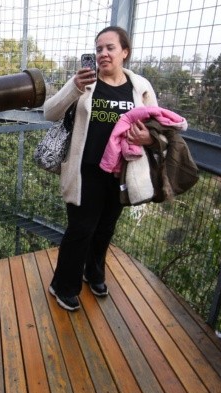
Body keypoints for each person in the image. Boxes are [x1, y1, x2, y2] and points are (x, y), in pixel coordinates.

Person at [44, 26, 157, 311]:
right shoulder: (85, 83)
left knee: (105, 228)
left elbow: (157, 124)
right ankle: (62, 285)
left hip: (120, 172)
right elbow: (49, 112)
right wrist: (74, 87)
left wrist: (149, 137)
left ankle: (93, 273)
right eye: (98, 49)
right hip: (85, 172)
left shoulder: (139, 86)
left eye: (110, 48)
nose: (103, 54)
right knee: (81, 229)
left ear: (125, 52)